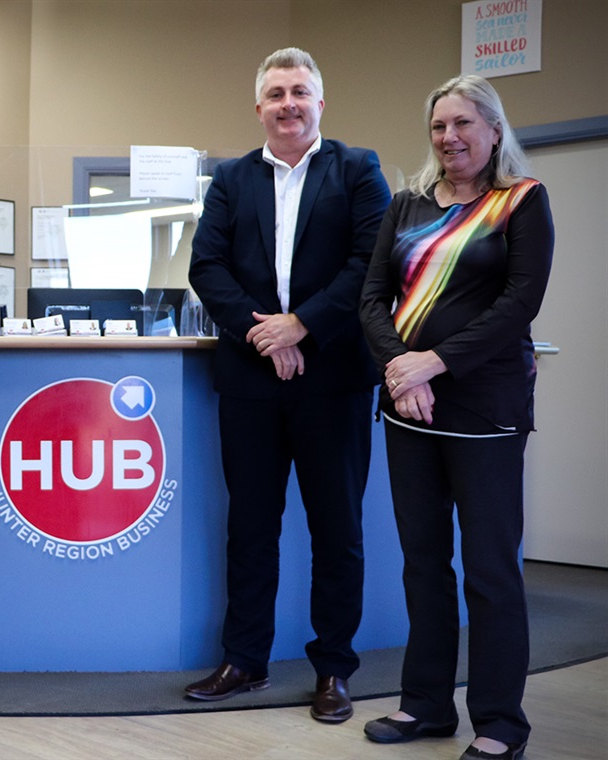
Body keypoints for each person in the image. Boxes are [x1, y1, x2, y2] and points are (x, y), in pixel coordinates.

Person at [185, 47, 391, 723]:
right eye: (275, 94)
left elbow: (371, 262)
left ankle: (333, 668)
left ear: (320, 103)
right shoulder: (230, 179)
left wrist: (301, 325)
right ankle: (244, 660)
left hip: (332, 377)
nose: (288, 104)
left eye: (299, 91)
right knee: (251, 527)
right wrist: (262, 333)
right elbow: (206, 266)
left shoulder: (357, 169)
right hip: (250, 381)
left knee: (338, 531)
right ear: (259, 109)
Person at [359, 75, 553, 760]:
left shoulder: (521, 203)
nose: (450, 137)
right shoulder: (407, 205)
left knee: (490, 571)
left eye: (465, 124)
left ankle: (500, 723)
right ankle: (425, 706)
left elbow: (518, 305)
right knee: (423, 564)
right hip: (410, 409)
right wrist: (399, 369)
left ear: (494, 130)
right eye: (440, 126)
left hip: (486, 410)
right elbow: (373, 298)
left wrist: (432, 363)